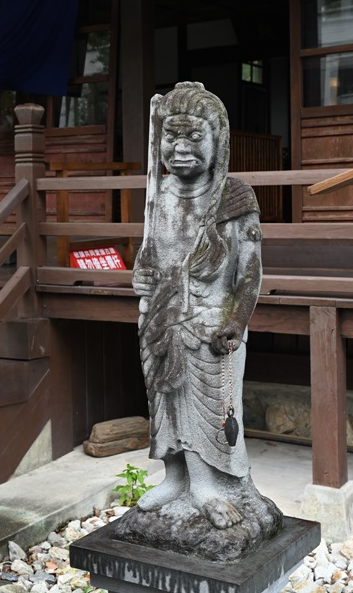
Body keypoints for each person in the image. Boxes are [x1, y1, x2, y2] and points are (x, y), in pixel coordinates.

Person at [128, 82, 280, 541]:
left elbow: (249, 274)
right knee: (164, 403)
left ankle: (211, 484)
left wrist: (236, 321)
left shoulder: (234, 198)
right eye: (170, 136)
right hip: (159, 315)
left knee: (209, 410)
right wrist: (142, 274)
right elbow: (151, 257)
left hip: (211, 323)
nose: (179, 147)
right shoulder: (161, 194)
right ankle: (176, 477)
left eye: (193, 136)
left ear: (219, 141)